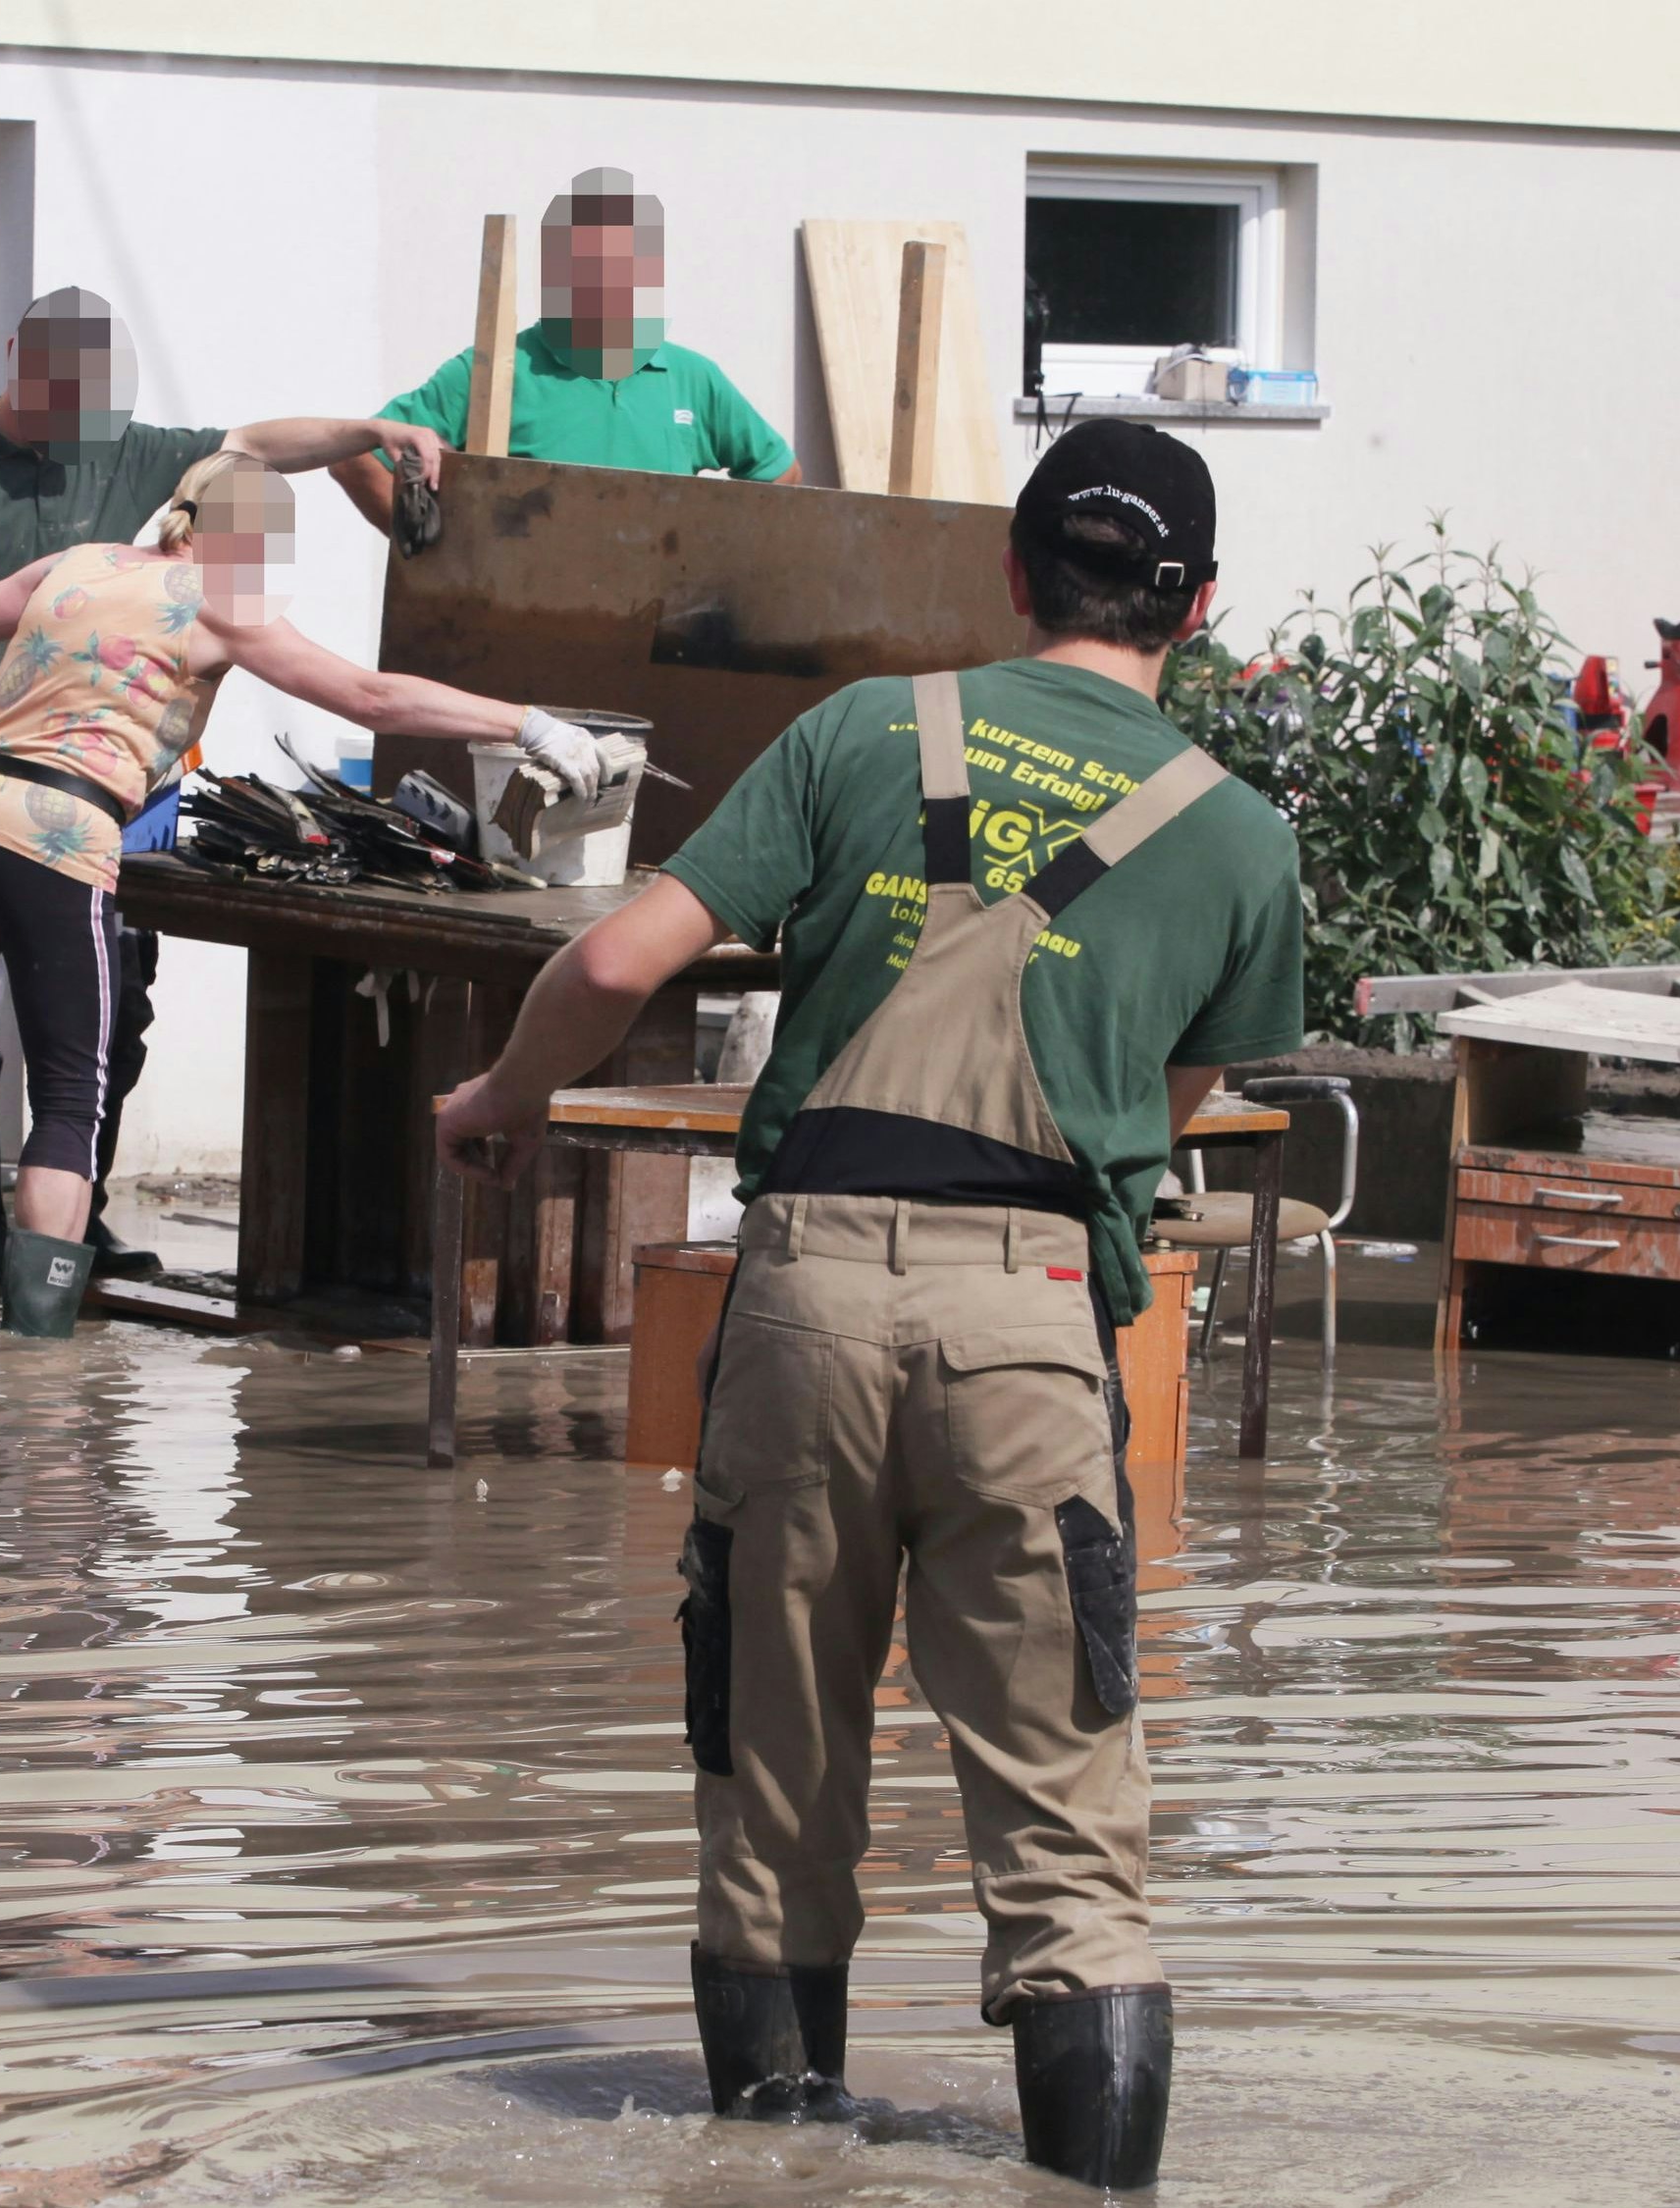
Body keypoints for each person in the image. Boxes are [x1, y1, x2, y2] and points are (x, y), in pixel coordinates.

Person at [429, 420, 1303, 2189]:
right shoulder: (1239, 838)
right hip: (1038, 1311)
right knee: (1071, 1844)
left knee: (773, 1783)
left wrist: (498, 1102)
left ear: (1009, 572)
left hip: (807, 1293)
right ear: (1195, 608)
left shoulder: (861, 734)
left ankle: (772, 2168)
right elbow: (1182, 1091)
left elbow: (611, 959)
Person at [0, 451, 612, 1334]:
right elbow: (370, 697)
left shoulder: (73, 564)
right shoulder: (221, 605)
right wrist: (526, 724)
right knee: (72, 1097)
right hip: (59, 832)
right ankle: (33, 1356)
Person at [0, 286, 457, 1287]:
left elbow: (257, 444)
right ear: (16, 362)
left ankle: (69, 1223)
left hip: (108, 796)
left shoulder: (132, 449)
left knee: (109, 1016)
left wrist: (369, 427)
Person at [335, 167, 797, 535]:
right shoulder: (495, 370)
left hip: (661, 626)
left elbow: (781, 473)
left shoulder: (691, 377)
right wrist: (436, 557)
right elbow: (358, 459)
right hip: (524, 624)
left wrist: (718, 553)